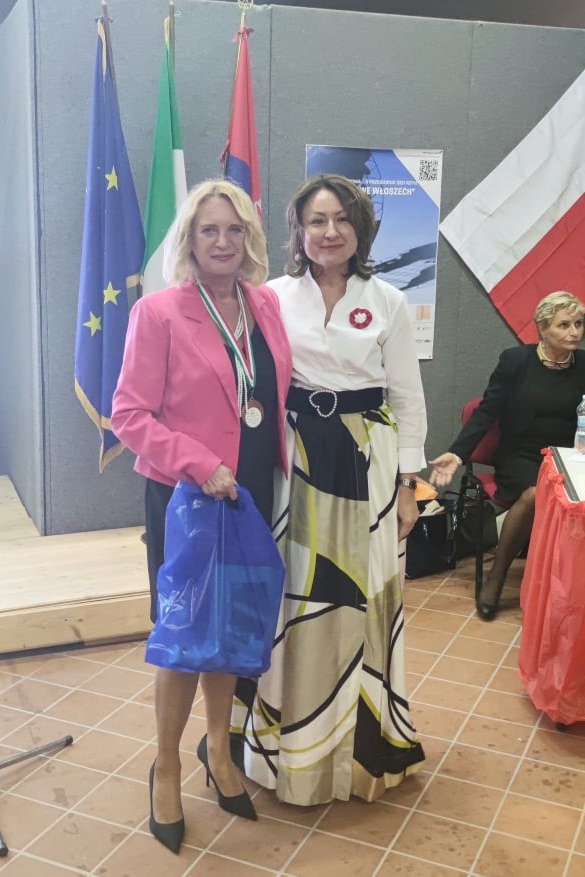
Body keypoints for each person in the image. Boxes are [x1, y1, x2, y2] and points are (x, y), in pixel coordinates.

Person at [232, 173, 427, 806]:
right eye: (317, 220)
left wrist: (409, 486)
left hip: (367, 460)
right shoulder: (270, 297)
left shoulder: (388, 301)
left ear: (361, 229)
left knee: (365, 596)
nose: (330, 231)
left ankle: (363, 752)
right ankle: (288, 750)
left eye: (342, 219)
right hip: (294, 459)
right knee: (296, 599)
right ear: (298, 231)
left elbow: (408, 399)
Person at [111, 179, 292, 853]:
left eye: (234, 229)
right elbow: (128, 414)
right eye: (209, 230)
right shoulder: (158, 312)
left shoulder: (266, 304)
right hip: (188, 497)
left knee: (233, 628)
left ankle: (217, 749)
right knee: (185, 635)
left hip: (251, 492)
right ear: (188, 239)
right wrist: (197, 462)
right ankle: (164, 765)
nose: (222, 242)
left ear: (249, 237)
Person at [429, 291, 585, 621]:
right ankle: (497, 576)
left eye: (579, 324)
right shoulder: (516, 361)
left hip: (569, 457)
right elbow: (486, 412)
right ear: (543, 328)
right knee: (535, 494)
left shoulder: (583, 365)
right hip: (521, 456)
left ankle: (570, 588)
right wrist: (458, 454)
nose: (575, 332)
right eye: (564, 325)